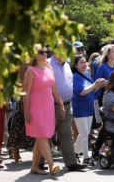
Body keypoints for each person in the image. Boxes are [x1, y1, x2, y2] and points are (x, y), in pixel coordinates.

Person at [24, 44, 64, 175]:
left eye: (46, 51)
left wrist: (61, 104)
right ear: (34, 55)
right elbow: (26, 93)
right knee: (42, 137)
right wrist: (26, 111)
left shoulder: (49, 67)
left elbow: (54, 89)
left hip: (48, 108)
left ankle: (34, 167)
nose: (45, 54)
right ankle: (52, 165)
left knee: (42, 138)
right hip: (35, 107)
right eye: (41, 52)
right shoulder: (31, 70)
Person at [47, 49, 87, 172]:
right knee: (45, 135)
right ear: (55, 52)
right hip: (50, 105)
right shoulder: (47, 64)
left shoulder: (67, 65)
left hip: (67, 105)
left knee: (67, 134)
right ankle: (40, 162)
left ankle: (71, 163)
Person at [72, 55, 103, 166]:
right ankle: (86, 157)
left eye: (85, 62)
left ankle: (74, 152)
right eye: (81, 62)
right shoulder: (75, 76)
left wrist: (98, 84)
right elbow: (82, 92)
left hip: (89, 107)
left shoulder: (86, 74)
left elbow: (93, 90)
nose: (85, 64)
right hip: (79, 108)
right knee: (84, 133)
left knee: (84, 133)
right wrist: (94, 85)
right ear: (76, 65)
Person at [7, 64, 34, 163]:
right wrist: (23, 102)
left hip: (35, 99)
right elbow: (22, 85)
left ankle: (37, 153)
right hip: (24, 99)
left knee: (33, 126)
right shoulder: (23, 66)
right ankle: (15, 152)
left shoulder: (37, 65)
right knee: (19, 126)